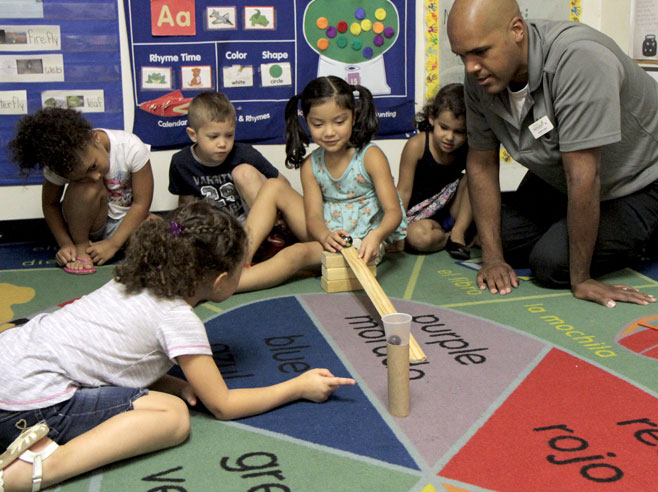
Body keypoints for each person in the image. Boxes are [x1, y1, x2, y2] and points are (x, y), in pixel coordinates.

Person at [0, 199, 355, 492]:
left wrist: (176, 383)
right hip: (26, 407)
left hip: (11, 361)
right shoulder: (178, 320)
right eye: (239, 269)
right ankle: (38, 469)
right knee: (172, 417)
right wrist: (298, 386)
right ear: (219, 282)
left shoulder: (131, 277)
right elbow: (223, 405)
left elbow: (114, 360)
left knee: (163, 395)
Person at [447, 0, 658, 308]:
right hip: (560, 179)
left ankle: (646, 234)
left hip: (636, 183)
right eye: (462, 55)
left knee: (551, 264)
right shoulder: (479, 75)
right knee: (492, 236)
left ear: (517, 30)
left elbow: (584, 177)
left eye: (480, 52)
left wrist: (581, 279)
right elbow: (481, 164)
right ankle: (565, 229)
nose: (470, 67)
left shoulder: (580, 60)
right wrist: (492, 259)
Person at [238, 76, 407, 292]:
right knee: (272, 186)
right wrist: (325, 235)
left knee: (295, 253)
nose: (329, 132)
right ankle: (241, 261)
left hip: (361, 240)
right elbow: (314, 218)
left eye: (339, 122)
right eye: (318, 124)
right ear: (307, 121)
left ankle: (229, 286)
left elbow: (394, 212)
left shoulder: (370, 156)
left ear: (353, 117)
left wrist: (376, 236)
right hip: (325, 232)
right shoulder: (310, 164)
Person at [8, 108, 154, 274]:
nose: (95, 176)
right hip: (87, 223)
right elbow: (50, 204)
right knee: (88, 188)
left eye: (93, 166)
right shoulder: (61, 163)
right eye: (79, 177)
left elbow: (141, 204)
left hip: (123, 221)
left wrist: (113, 243)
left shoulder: (131, 147)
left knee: (158, 227)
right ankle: (83, 246)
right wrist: (66, 244)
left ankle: (111, 248)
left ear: (95, 139)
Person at [168, 91, 287, 222]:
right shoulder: (181, 162)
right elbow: (185, 204)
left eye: (229, 135)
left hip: (252, 222)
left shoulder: (245, 154)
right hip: (212, 227)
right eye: (213, 137)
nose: (223, 144)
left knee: (245, 173)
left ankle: (269, 233)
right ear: (193, 135)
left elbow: (282, 186)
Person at [397, 83, 473, 259]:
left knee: (476, 176)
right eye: (444, 127)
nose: (450, 137)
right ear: (432, 118)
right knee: (418, 238)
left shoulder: (469, 148)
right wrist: (397, 231)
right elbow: (403, 192)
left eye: (459, 132)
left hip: (453, 213)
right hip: (418, 219)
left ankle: (459, 233)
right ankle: (447, 238)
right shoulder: (416, 146)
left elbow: (475, 190)